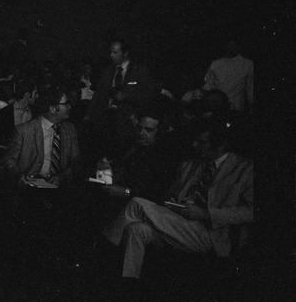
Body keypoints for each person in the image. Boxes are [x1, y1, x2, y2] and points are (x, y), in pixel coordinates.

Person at [101, 117, 252, 280]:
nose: (195, 145)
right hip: (180, 222)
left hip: (212, 233)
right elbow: (172, 194)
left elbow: (250, 212)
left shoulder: (244, 169)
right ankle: (127, 282)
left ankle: (101, 251)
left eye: (202, 142)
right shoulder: (193, 164)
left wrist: (205, 213)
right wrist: (176, 202)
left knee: (136, 203)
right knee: (136, 229)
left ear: (220, 146)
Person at [1, 85, 80, 187]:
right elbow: (9, 160)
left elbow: (76, 161)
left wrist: (62, 176)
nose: (69, 107)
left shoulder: (70, 129)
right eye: (66, 104)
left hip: (60, 187)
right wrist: (19, 175)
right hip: (30, 187)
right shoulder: (24, 130)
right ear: (52, 108)